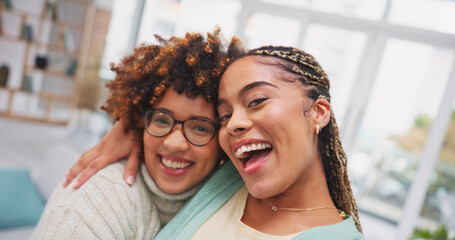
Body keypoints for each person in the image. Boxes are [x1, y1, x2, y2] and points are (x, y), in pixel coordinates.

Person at [65, 46, 365, 239]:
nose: (233, 123)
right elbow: (179, 69)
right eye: (223, 115)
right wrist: (130, 125)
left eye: (257, 100)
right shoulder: (232, 177)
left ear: (318, 112)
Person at [30, 29, 245, 239]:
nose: (174, 143)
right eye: (161, 120)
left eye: (200, 127)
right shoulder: (96, 206)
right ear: (140, 122)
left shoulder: (228, 193)